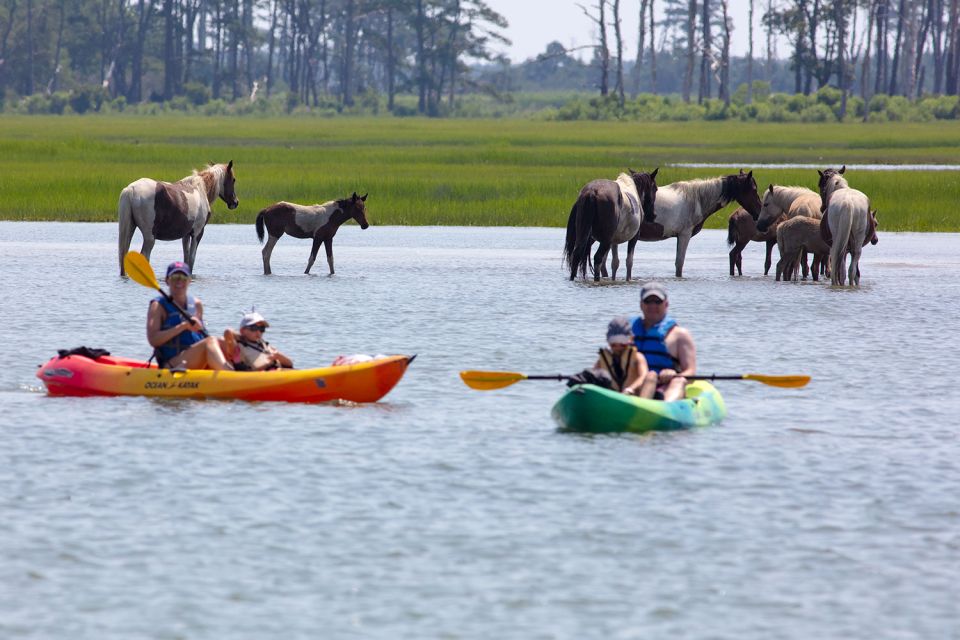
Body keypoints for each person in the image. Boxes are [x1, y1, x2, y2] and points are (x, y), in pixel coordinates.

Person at [146, 261, 233, 370]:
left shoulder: (196, 304)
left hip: (195, 358)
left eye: (183, 277)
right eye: (175, 277)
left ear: (189, 281)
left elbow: (203, 337)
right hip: (172, 364)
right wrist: (183, 326)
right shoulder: (158, 306)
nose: (179, 280)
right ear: (167, 280)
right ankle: (232, 376)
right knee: (209, 342)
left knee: (224, 342)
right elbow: (153, 340)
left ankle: (247, 372)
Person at [630, 282, 697, 402]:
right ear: (641, 305)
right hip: (635, 383)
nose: (652, 306)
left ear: (666, 304)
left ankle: (664, 407)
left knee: (679, 381)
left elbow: (690, 372)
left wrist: (673, 374)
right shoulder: (629, 331)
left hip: (665, 386)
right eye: (648, 301)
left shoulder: (680, 335)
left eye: (657, 302)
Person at [593, 316, 649, 395]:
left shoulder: (638, 357)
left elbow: (644, 376)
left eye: (622, 344)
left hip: (632, 396)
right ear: (608, 341)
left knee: (651, 376)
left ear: (631, 339)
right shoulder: (602, 360)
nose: (618, 348)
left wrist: (630, 389)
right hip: (612, 396)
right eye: (613, 344)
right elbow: (592, 375)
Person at [222, 311, 293, 371]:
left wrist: (278, 356)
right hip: (257, 377)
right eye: (254, 328)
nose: (258, 332)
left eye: (262, 329)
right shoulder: (237, 348)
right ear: (242, 330)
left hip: (277, 372)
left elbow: (290, 364)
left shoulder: (264, 345)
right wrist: (240, 336)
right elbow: (228, 332)